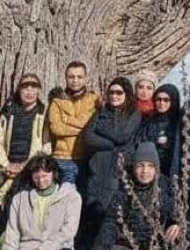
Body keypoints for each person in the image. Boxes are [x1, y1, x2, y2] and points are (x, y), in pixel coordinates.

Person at [88, 141, 179, 250]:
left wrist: (176, 223)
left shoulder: (165, 189)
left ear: (156, 169)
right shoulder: (124, 191)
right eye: (140, 166)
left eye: (150, 166)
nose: (145, 171)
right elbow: (111, 222)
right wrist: (98, 249)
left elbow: (176, 213)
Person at [0, 155, 81, 250]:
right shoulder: (20, 198)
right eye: (37, 177)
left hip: (58, 248)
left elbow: (69, 230)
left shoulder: (71, 196)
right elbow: (13, 232)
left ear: (54, 174)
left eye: (45, 176)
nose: (41, 181)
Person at [82, 77, 142, 233]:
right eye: (111, 92)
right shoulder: (101, 112)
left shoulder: (133, 114)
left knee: (111, 216)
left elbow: (122, 136)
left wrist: (100, 129)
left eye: (119, 92)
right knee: (91, 216)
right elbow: (87, 137)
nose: (114, 96)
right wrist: (111, 145)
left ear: (127, 94)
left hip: (117, 172)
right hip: (97, 170)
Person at [46, 61, 99, 186]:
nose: (75, 80)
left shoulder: (94, 100)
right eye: (71, 77)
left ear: (86, 78)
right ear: (66, 78)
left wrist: (67, 119)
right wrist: (82, 129)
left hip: (86, 157)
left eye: (79, 77)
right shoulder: (57, 101)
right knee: (65, 197)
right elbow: (56, 129)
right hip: (62, 157)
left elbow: (93, 124)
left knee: (84, 199)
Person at [0, 74, 48, 172]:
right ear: (19, 89)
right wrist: (6, 165)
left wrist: (28, 165)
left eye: (34, 86)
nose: (29, 91)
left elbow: (47, 146)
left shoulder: (44, 114)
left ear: (39, 90)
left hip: (34, 171)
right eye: (25, 86)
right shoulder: (8, 113)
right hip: (8, 169)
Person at [141, 83, 181, 179]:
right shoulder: (149, 122)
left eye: (166, 100)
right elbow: (143, 143)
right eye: (158, 99)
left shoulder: (179, 122)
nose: (161, 103)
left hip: (173, 172)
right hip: (152, 172)